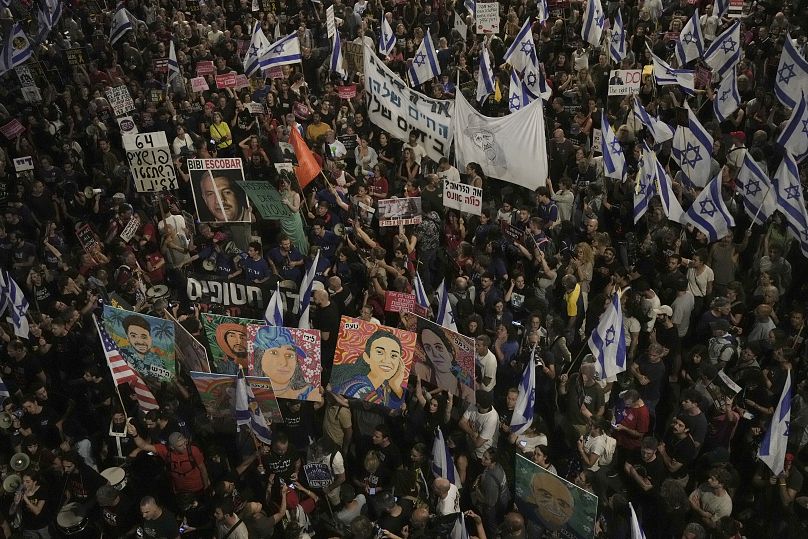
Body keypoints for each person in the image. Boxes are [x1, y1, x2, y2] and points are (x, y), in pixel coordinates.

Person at [330, 329, 408, 408]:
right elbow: (391, 412)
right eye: (379, 352)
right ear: (366, 357)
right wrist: (397, 389)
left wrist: (395, 386)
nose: (387, 360)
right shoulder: (360, 388)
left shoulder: (383, 387)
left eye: (393, 355)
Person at [251, 326, 317, 400]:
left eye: (289, 355)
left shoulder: (311, 393)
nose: (283, 362)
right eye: (274, 353)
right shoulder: (250, 390)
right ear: (259, 357)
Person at [414, 320, 474, 400]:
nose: (435, 354)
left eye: (438, 347)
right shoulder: (424, 371)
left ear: (450, 354)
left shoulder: (466, 385)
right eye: (428, 348)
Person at [120, 314, 166, 379]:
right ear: (128, 338)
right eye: (133, 336)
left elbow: (165, 377)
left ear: (150, 338)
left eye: (144, 337)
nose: (140, 342)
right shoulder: (120, 353)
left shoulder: (158, 361)